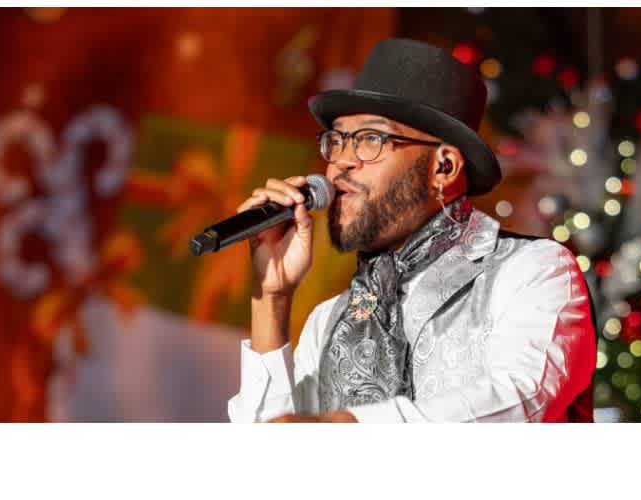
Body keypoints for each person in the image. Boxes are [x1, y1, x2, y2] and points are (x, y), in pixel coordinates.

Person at [227, 38, 595, 423]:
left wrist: (342, 428)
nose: (339, 165)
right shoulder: (329, 319)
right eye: (335, 141)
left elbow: (521, 399)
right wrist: (271, 299)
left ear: (444, 168)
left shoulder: (532, 271)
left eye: (370, 139)